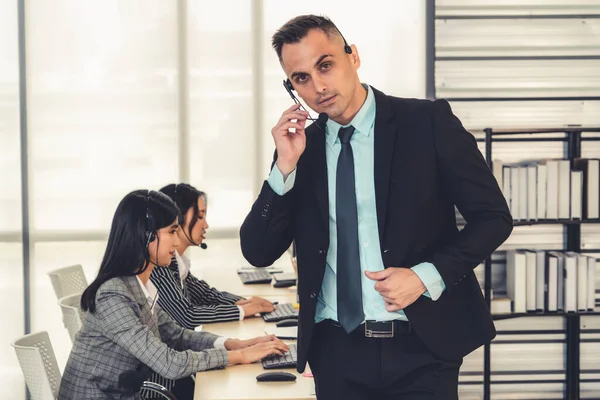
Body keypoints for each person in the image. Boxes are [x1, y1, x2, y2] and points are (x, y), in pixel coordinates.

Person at [239, 15, 513, 400]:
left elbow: (493, 218)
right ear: (292, 87)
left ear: (353, 57)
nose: (318, 87)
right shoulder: (302, 148)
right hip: (336, 351)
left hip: (422, 348)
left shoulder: (426, 122)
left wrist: (425, 276)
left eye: (325, 65)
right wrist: (284, 167)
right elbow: (258, 250)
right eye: (301, 78)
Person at [58, 190, 287, 400]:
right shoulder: (113, 296)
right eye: (172, 232)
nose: (177, 242)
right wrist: (238, 357)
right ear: (146, 236)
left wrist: (236, 344)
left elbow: (177, 336)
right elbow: (169, 363)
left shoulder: (137, 286)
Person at [150, 182, 276, 329]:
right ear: (177, 218)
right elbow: (187, 315)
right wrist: (241, 310)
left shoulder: (176, 262)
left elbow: (204, 294)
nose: (206, 225)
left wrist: (242, 302)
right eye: (200, 216)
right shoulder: (159, 265)